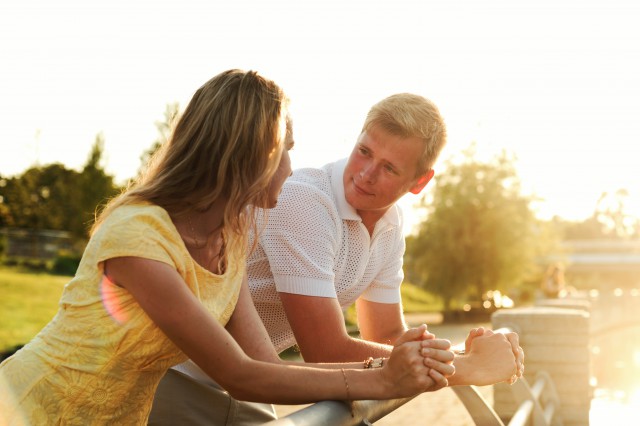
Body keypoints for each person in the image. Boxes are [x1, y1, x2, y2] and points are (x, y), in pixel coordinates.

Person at [0, 70, 456, 426]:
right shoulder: (138, 237)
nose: (293, 169)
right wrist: (385, 377)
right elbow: (237, 373)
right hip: (30, 408)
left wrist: (401, 369)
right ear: (249, 155)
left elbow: (259, 363)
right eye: (286, 151)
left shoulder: (230, 239)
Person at [150, 92, 525, 424]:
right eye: (364, 151)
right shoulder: (304, 201)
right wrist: (468, 366)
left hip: (249, 380)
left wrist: (458, 352)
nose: (365, 174)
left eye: (389, 168)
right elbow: (324, 350)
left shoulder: (391, 224)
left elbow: (387, 335)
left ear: (419, 182)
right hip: (177, 376)